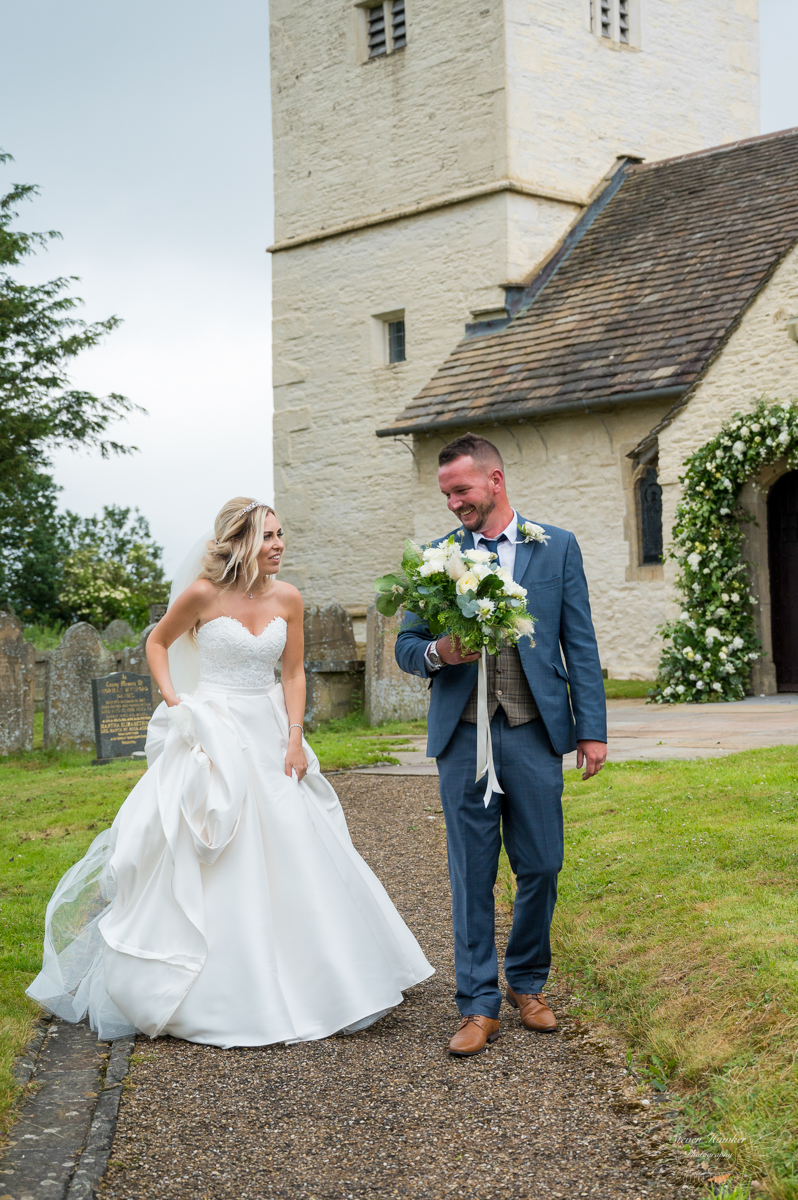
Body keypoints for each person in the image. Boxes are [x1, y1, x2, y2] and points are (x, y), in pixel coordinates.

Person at [27, 498, 433, 1047]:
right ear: (240, 542)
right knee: (215, 841)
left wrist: (294, 736)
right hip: (212, 727)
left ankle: (323, 977)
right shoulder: (202, 594)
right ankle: (212, 980)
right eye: (268, 536)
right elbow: (157, 643)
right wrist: (176, 705)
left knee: (294, 839)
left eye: (281, 534)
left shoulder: (289, 598)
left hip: (269, 729)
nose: (279, 545)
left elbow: (292, 674)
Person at [395, 434, 607, 1057]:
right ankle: (478, 1003)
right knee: (472, 873)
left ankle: (527, 982)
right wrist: (439, 651)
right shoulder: (435, 558)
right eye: (447, 494)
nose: (455, 503)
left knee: (542, 863)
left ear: (495, 480)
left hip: (533, 729)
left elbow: (581, 642)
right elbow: (408, 645)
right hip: (463, 733)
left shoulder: (556, 546)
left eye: (462, 490)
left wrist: (590, 728)